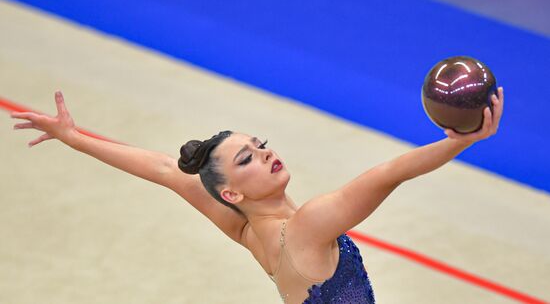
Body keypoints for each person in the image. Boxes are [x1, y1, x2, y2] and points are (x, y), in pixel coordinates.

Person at [11, 88, 504, 303]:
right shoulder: (307, 226)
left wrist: (75, 137)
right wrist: (460, 141)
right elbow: (385, 174)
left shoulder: (245, 227)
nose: (265, 154)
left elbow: (164, 169)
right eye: (248, 159)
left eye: (259, 145)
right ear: (230, 190)